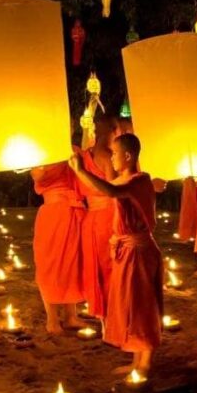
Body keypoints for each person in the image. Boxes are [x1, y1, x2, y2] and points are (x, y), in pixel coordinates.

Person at [70, 134, 162, 375]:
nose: (111, 158)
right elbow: (111, 189)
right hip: (126, 250)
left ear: (128, 155)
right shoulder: (125, 180)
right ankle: (136, 359)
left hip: (138, 251)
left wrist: (81, 171)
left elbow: (110, 191)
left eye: (114, 153)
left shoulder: (139, 181)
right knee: (129, 303)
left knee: (142, 305)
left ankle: (146, 362)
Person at [31, 154, 86, 334]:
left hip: (75, 211)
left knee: (72, 263)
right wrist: (45, 161)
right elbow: (37, 177)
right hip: (53, 212)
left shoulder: (74, 151)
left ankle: (71, 316)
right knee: (50, 263)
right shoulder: (40, 151)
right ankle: (52, 319)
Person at [78, 115, 120, 318]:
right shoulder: (106, 154)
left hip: (91, 216)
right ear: (113, 130)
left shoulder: (85, 155)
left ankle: (103, 315)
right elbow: (115, 188)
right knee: (110, 264)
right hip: (107, 214)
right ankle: (112, 313)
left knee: (98, 266)